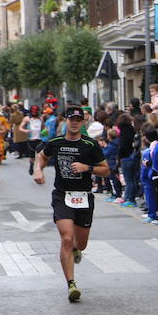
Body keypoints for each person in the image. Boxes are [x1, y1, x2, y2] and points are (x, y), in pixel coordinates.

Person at [32, 106, 110, 302]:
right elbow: (41, 155)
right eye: (71, 119)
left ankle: (76, 249)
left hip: (83, 196)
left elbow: (106, 170)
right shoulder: (56, 142)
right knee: (66, 238)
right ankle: (71, 284)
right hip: (62, 196)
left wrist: (87, 168)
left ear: (83, 122)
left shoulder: (90, 144)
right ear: (66, 120)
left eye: (78, 119)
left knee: (80, 244)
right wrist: (38, 170)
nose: (74, 122)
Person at [19, 105, 44, 176]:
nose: (34, 112)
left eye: (36, 111)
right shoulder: (27, 118)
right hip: (31, 140)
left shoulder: (40, 119)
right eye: (33, 111)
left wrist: (45, 131)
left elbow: (43, 128)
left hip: (39, 139)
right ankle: (31, 165)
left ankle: (39, 169)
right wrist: (25, 130)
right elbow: (20, 128)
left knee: (40, 156)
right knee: (32, 156)